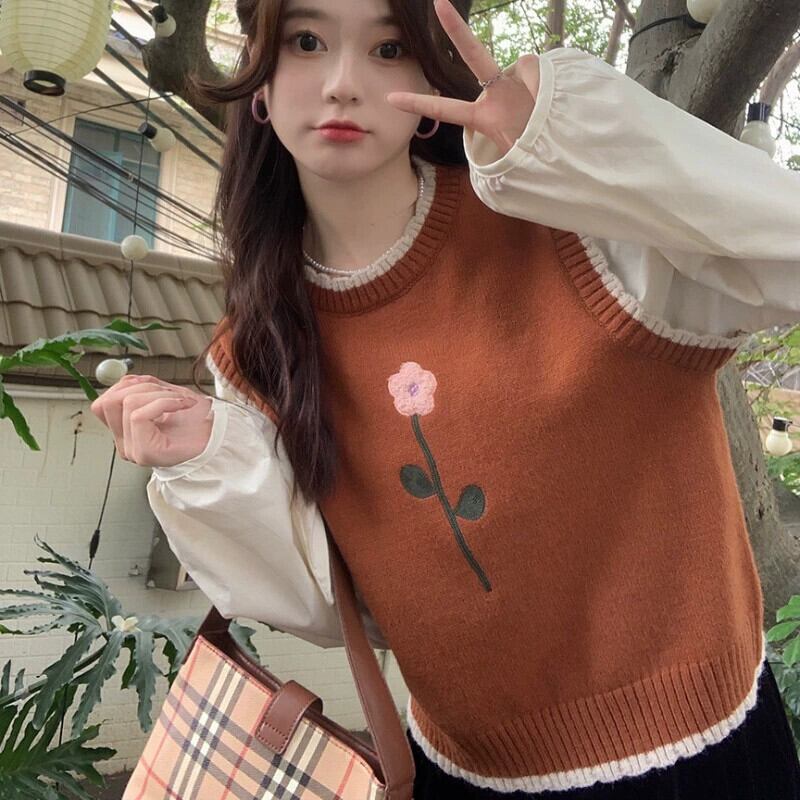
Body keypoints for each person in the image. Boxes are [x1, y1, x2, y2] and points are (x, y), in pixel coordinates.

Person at [90, 0, 800, 796]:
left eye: (388, 48)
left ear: (431, 76)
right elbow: (332, 609)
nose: (343, 83)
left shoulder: (564, 221)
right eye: (308, 42)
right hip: (461, 774)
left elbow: (787, 256)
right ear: (259, 77)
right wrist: (206, 461)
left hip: (698, 759)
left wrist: (578, 148)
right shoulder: (260, 346)